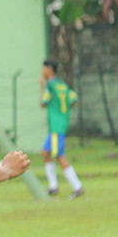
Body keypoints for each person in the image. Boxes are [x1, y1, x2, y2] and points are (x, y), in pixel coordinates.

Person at [39, 59, 84, 199]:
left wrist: (41, 87)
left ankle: (77, 187)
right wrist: (63, 111)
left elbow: (42, 103)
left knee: (59, 155)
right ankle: (53, 187)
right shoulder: (62, 85)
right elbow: (74, 99)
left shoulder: (50, 87)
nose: (42, 71)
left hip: (56, 126)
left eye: (44, 68)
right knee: (46, 152)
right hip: (61, 124)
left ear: (49, 69)